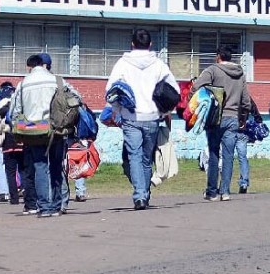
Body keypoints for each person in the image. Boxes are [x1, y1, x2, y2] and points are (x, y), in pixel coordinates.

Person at [106, 28, 178, 210]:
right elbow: (174, 90)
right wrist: (165, 110)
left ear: (132, 44)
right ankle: (143, 194)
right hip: (153, 116)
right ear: (150, 44)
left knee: (135, 157)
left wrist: (116, 110)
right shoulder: (159, 64)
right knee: (146, 158)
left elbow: (111, 90)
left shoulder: (122, 63)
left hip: (130, 116)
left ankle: (140, 195)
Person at [8, 53, 66, 217]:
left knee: (40, 167)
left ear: (30, 67)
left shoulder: (23, 83)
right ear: (44, 65)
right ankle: (56, 205)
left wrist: (17, 126)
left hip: (34, 131)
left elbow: (15, 110)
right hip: (56, 129)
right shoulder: (58, 81)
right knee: (56, 166)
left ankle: (44, 207)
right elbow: (75, 99)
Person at [191, 45, 251, 202]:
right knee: (229, 155)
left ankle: (212, 192)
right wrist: (243, 116)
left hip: (215, 118)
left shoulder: (212, 70)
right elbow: (245, 100)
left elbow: (196, 86)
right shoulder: (240, 73)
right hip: (233, 118)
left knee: (213, 153)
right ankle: (225, 191)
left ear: (218, 56)